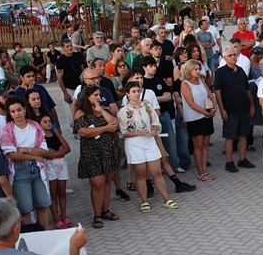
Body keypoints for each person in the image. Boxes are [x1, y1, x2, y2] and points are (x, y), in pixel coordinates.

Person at [117, 82, 175, 212]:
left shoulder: (147, 106)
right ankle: (144, 201)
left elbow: (156, 122)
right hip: (134, 144)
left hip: (149, 141)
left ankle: (166, 199)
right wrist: (138, 133)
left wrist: (154, 130)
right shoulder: (123, 112)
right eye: (133, 91)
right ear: (127, 94)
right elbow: (123, 132)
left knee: (157, 172)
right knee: (141, 174)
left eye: (138, 91)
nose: (136, 94)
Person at [71, 86, 121, 228]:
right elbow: (84, 132)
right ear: (87, 97)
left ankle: (105, 210)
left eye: (99, 95)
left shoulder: (104, 110)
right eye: (95, 95)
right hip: (92, 154)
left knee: (107, 182)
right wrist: (105, 128)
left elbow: (115, 124)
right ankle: (97, 214)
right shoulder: (80, 113)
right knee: (97, 184)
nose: (98, 98)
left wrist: (102, 112)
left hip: (108, 152)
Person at [0, 98, 52, 229]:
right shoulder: (7, 130)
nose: (17, 114)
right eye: (13, 111)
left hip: (38, 170)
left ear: (24, 109)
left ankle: (45, 235)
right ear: (9, 113)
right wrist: (34, 156)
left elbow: (44, 151)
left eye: (18, 110)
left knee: (42, 206)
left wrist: (25, 150)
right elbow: (12, 155)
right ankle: (30, 239)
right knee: (25, 210)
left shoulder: (35, 126)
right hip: (19, 171)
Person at [214, 47, 254, 173]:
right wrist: (222, 109)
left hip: (243, 108)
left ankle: (242, 159)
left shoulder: (241, 70)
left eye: (234, 55)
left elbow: (247, 89)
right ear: (225, 58)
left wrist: (252, 104)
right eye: (230, 55)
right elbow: (217, 91)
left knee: (243, 135)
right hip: (230, 109)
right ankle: (229, 161)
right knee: (230, 136)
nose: (233, 57)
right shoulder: (220, 72)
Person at [178, 59, 217, 182]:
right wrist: (206, 113)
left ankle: (205, 170)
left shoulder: (201, 81)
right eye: (195, 69)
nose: (198, 71)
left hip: (206, 116)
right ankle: (200, 172)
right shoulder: (185, 84)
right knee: (198, 145)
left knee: (205, 145)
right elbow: (191, 104)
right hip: (195, 118)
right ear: (189, 70)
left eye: (199, 69)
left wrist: (214, 107)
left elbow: (210, 95)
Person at [38, 114, 72, 226]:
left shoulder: (56, 135)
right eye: (45, 121)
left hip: (61, 165)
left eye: (49, 121)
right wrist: (57, 153)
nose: (48, 123)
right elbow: (46, 154)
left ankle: (63, 215)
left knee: (62, 192)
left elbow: (67, 148)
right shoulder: (40, 138)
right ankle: (56, 218)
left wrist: (56, 153)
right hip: (49, 166)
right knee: (53, 193)